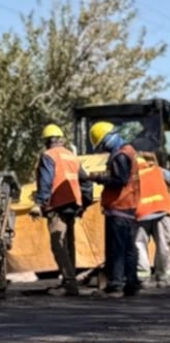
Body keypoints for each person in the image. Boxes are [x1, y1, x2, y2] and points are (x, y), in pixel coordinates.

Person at [29, 124, 93, 296]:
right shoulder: (72, 156)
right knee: (68, 242)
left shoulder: (48, 155)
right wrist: (84, 203)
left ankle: (69, 283)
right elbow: (86, 181)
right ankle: (69, 279)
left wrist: (39, 203)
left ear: (47, 141)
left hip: (57, 205)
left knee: (59, 244)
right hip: (73, 204)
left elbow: (47, 181)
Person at [87, 122, 141, 298]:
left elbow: (119, 180)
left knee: (117, 248)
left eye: (103, 144)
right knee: (128, 248)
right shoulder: (129, 151)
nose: (103, 148)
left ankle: (116, 284)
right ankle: (131, 283)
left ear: (109, 138)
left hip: (119, 207)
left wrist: (98, 178)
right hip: (129, 206)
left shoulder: (120, 156)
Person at [134, 155, 170, 287]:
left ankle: (143, 276)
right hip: (161, 211)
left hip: (141, 214)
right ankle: (164, 276)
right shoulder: (158, 170)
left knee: (139, 244)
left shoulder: (132, 175)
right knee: (164, 245)